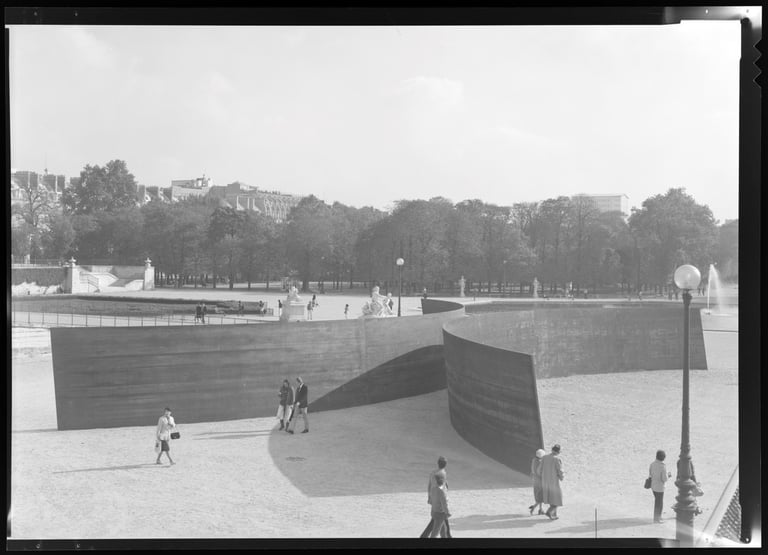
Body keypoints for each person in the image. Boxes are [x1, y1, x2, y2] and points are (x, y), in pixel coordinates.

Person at [420, 456, 452, 538]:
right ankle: (424, 536)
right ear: (445, 464)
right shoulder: (443, 473)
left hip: (434, 499)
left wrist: (429, 497)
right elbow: (444, 489)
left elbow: (429, 485)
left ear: (438, 463)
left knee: (438, 521)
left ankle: (447, 536)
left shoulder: (433, 473)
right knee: (438, 521)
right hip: (440, 502)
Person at [541, 444, 564, 520]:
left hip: (545, 481)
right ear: (558, 452)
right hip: (553, 481)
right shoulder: (556, 459)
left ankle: (554, 515)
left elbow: (539, 469)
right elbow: (559, 470)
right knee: (557, 499)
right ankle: (550, 512)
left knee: (551, 498)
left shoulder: (544, 457)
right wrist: (561, 477)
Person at [649, 449, 672, 523]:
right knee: (659, 503)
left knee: (658, 501)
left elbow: (650, 474)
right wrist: (668, 475)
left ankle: (658, 517)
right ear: (663, 458)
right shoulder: (663, 466)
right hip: (660, 487)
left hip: (653, 486)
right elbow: (664, 479)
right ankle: (657, 519)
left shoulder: (652, 464)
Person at [428, 474, 451, 538]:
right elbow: (444, 504)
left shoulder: (433, 490)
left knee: (443, 531)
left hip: (434, 512)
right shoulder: (441, 492)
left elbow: (431, 501)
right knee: (435, 533)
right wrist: (447, 513)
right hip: (440, 514)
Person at [529, 448, 546, 515]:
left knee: (539, 496)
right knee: (541, 496)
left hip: (535, 480)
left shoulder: (534, 460)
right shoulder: (540, 462)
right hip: (540, 481)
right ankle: (534, 508)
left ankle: (540, 509)